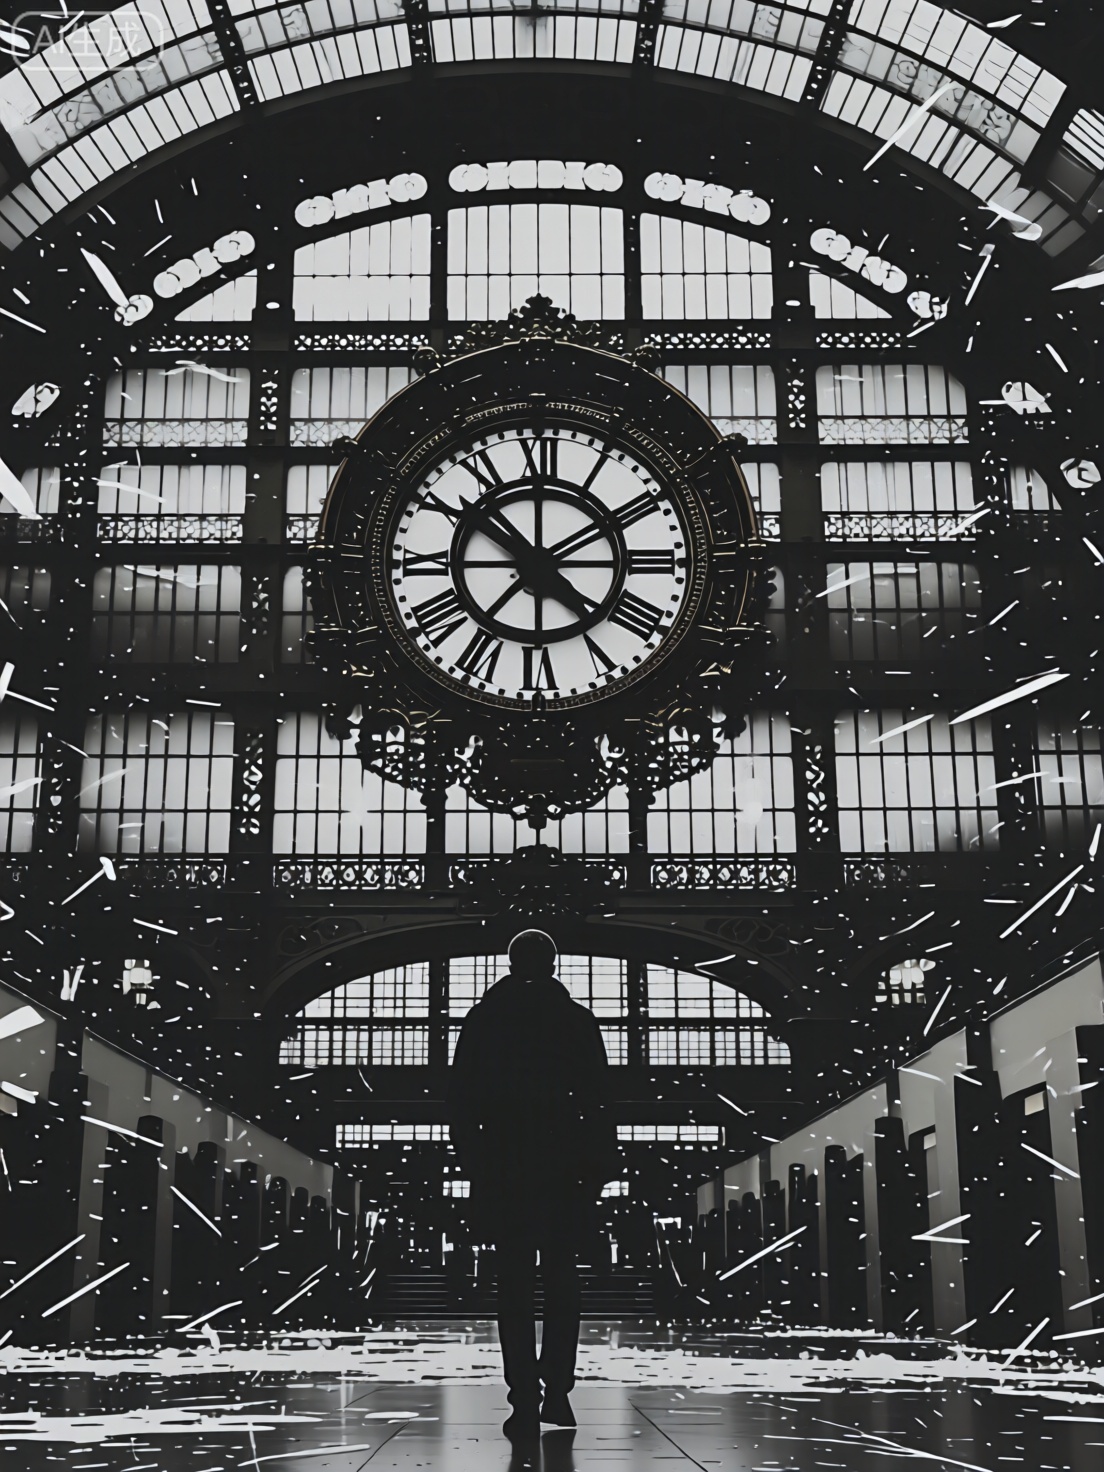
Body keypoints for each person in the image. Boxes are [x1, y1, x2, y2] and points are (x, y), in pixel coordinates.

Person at [447, 929, 618, 1442]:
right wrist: (595, 1167)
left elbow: (461, 1097)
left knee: (514, 1285)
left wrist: (475, 1162)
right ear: (554, 963)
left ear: (510, 960)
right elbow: (599, 1097)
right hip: (565, 1173)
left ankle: (522, 1394)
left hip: (505, 1171)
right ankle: (558, 1391)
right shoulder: (576, 1021)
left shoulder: (485, 1020)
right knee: (563, 1281)